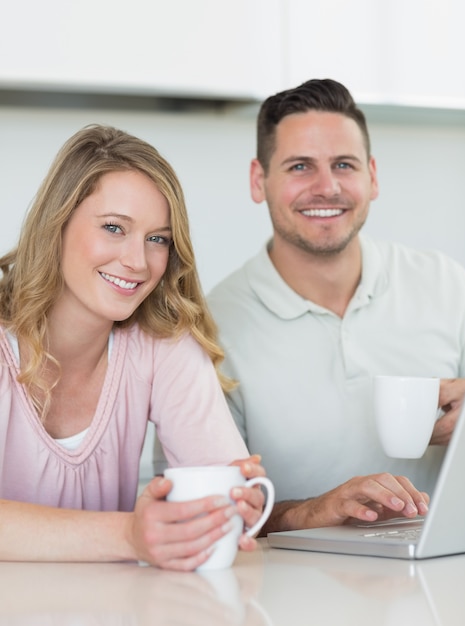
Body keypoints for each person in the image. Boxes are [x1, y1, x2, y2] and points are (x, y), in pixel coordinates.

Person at [206, 78, 465, 533]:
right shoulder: (212, 326)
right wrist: (313, 511)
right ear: (259, 180)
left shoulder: (446, 286)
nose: (326, 186)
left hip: (443, 578)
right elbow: (207, 509)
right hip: (284, 594)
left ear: (372, 176)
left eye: (344, 165)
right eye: (299, 167)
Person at [0, 124, 267, 570]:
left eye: (157, 239)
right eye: (113, 228)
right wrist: (127, 535)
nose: (138, 261)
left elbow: (226, 481)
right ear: (57, 224)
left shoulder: (162, 345)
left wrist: (239, 503)